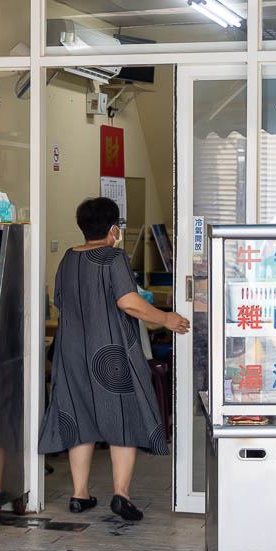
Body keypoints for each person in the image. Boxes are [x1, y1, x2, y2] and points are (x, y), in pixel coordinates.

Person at [39, 197, 190, 522]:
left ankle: (80, 495)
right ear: (113, 229)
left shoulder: (68, 257)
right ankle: (121, 495)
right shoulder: (113, 257)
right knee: (125, 414)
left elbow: (61, 300)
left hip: (71, 351)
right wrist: (167, 320)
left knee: (77, 415)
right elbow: (128, 301)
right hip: (109, 352)